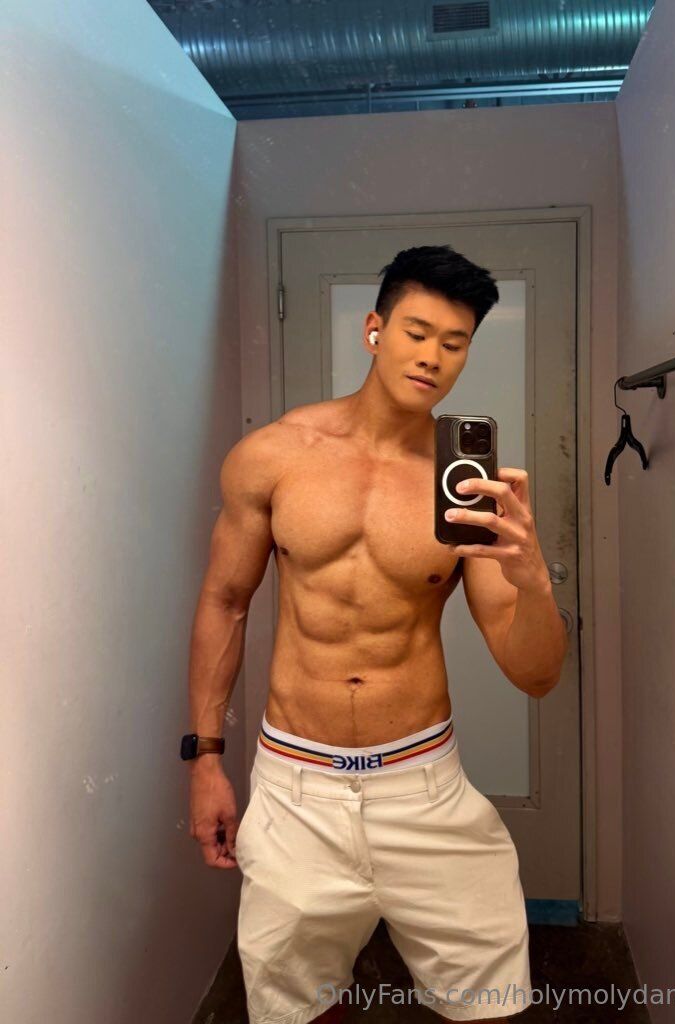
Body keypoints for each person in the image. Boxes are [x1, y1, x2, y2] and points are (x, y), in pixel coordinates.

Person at [185, 245, 567, 1024]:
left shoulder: (465, 486)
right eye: (416, 332)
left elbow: (535, 673)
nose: (432, 357)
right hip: (296, 788)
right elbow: (225, 602)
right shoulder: (274, 456)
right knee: (298, 1007)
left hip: (424, 788)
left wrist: (533, 581)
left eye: (454, 343)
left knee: (490, 1005)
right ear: (374, 330)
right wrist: (206, 760)